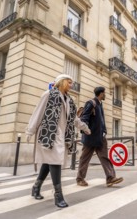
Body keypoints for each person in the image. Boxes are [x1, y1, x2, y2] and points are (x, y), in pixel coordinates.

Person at [26, 74, 90, 208]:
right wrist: (30, 131)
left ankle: (36, 187)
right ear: (61, 82)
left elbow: (74, 119)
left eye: (72, 83)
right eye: (69, 82)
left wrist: (85, 128)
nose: (71, 85)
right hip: (49, 134)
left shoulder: (69, 101)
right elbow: (38, 113)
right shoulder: (48, 94)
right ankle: (58, 195)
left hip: (62, 135)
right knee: (54, 161)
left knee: (49, 162)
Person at [76, 87, 123, 187]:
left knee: (105, 157)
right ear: (101, 94)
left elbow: (101, 121)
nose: (105, 95)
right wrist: (86, 130)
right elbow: (84, 118)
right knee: (85, 159)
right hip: (90, 137)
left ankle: (110, 178)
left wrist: (104, 131)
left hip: (100, 137)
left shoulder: (100, 105)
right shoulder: (91, 103)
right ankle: (80, 179)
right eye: (104, 93)